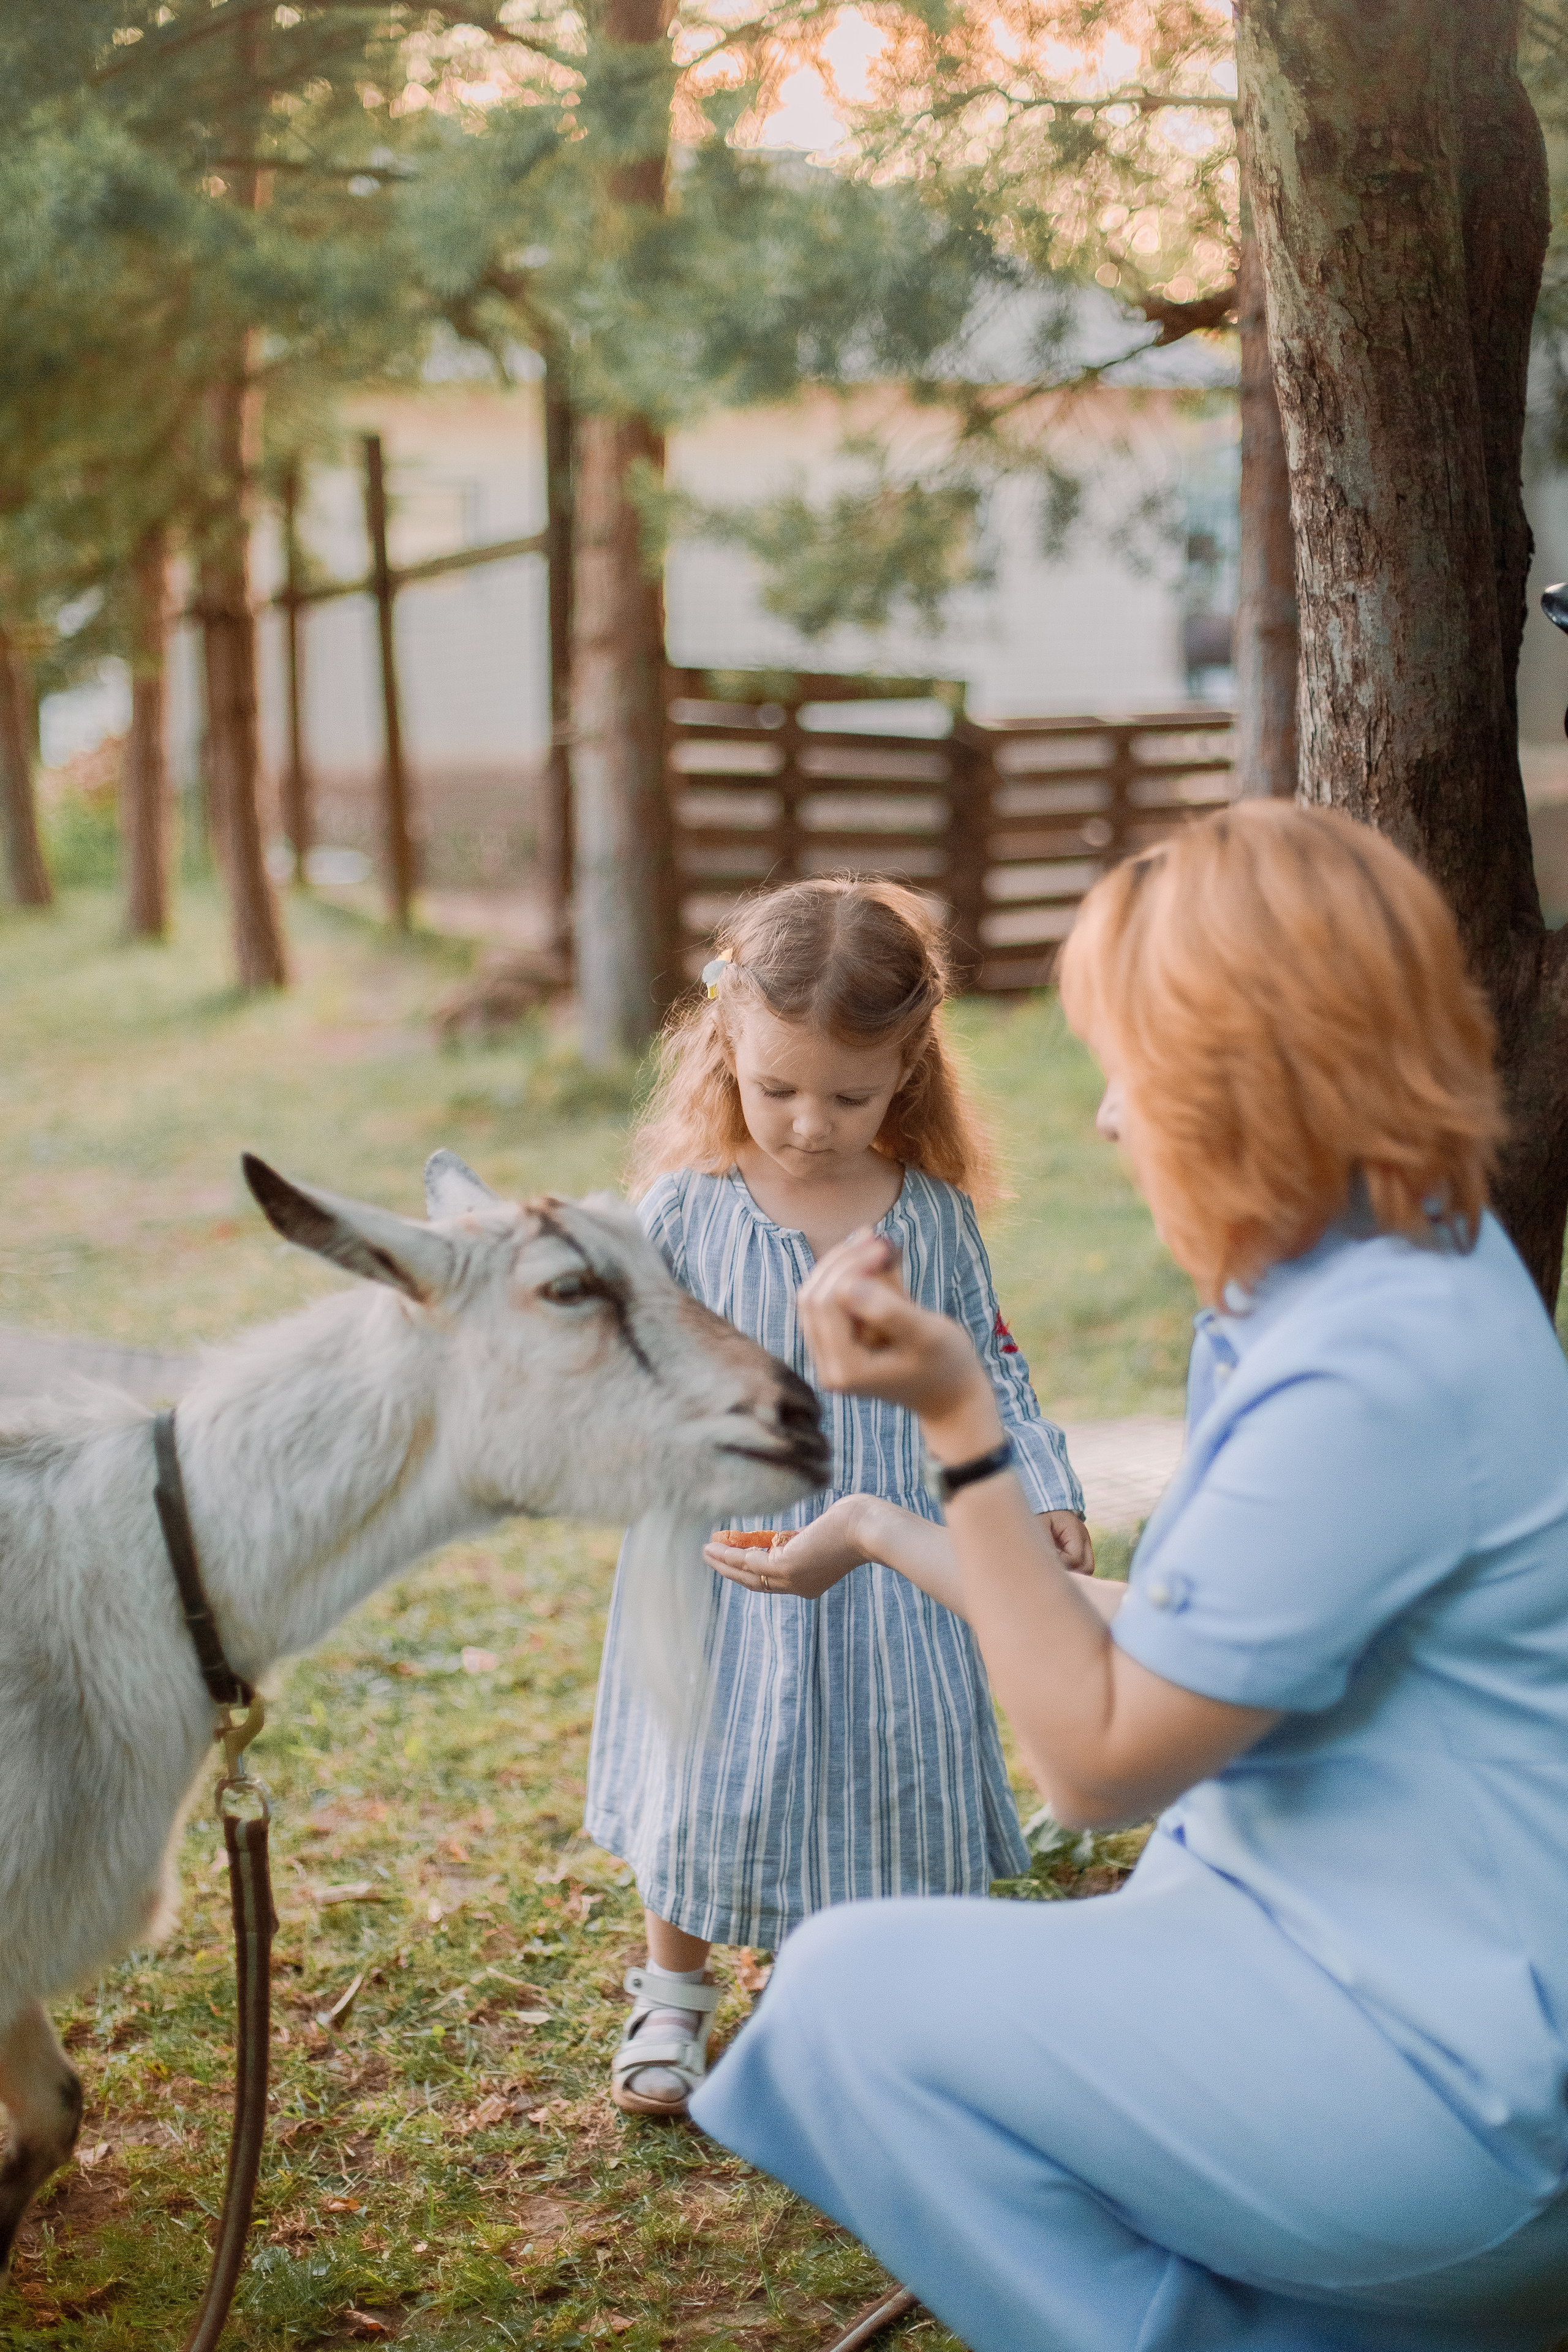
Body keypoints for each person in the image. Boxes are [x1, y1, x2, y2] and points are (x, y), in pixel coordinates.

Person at [689, 804, 1568, 2352]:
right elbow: (1170, 1655)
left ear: (1249, 1078)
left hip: (1453, 2084)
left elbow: (1095, 1763)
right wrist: (884, 1533)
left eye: (1130, 1069)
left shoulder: (1366, 1371)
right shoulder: (1385, 1264)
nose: (1104, 1119)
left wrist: (960, 1431)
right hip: (1397, 1978)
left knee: (837, 2001)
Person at [584, 878, 1088, 2116]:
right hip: (723, 1558)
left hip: (892, 1563)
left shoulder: (932, 1221)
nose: (810, 1125)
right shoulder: (686, 1209)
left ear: (907, 1073)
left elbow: (991, 1360)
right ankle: (673, 1991)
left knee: (888, 1767)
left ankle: (877, 1991)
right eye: (778, 1090)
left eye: (849, 1097)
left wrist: (1042, 1486)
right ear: (726, 1049)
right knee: (703, 1773)